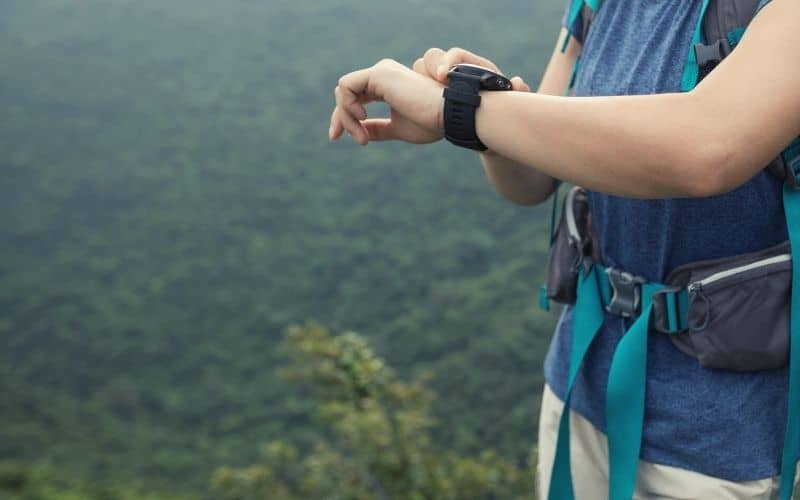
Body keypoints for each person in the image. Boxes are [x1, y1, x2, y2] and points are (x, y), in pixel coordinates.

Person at [329, 0, 800, 497]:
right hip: (579, 384)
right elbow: (532, 179)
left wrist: (464, 109)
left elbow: (707, 148)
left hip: (721, 438)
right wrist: (486, 103)